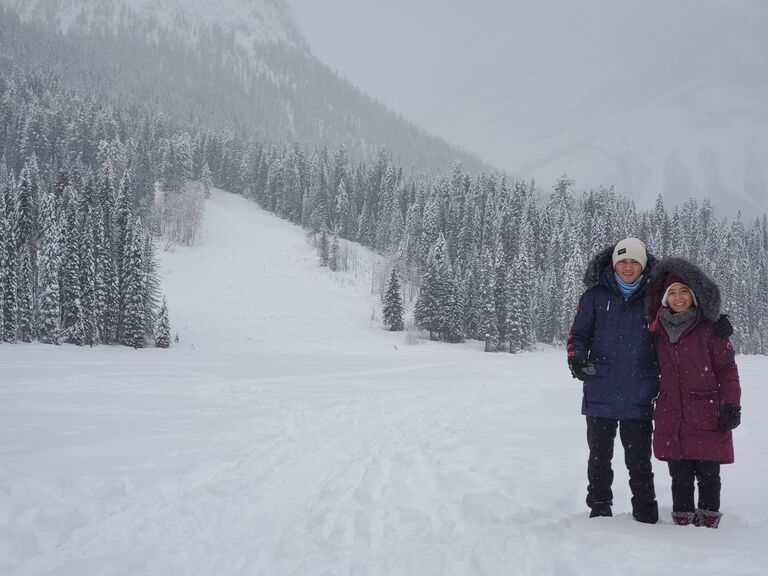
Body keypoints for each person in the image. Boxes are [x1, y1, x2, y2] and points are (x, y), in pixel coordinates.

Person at [567, 237, 660, 522]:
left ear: (642, 265)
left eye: (634, 262)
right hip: (601, 388)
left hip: (639, 390)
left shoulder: (655, 297)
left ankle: (645, 511)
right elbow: (578, 335)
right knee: (599, 457)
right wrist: (577, 358)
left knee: (639, 460)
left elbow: (685, 313)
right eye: (623, 261)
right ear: (614, 264)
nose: (628, 267)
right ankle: (599, 507)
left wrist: (715, 322)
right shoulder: (594, 296)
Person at [645, 257, 741, 528]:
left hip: (707, 414)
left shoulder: (711, 328)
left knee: (709, 474)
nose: (678, 297)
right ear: (664, 299)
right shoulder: (657, 331)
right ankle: (683, 523)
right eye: (672, 293)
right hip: (671, 413)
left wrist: (731, 405)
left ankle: (709, 521)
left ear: (694, 294)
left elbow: (727, 371)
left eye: (684, 291)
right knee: (680, 475)